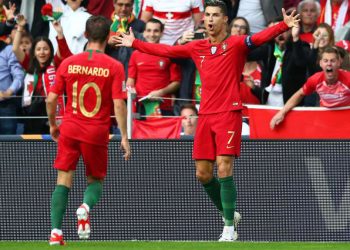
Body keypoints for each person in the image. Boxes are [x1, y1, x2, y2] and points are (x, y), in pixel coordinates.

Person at [116, 0, 299, 241]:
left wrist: (282, 26)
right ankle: (229, 213)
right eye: (207, 15)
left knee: (224, 166)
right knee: (203, 174)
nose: (210, 19)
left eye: (215, 15)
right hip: (205, 116)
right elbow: (168, 51)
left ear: (225, 20)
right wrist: (135, 43)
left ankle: (229, 229)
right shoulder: (197, 47)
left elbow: (258, 39)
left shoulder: (236, 43)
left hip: (229, 113)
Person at [46, 15, 131, 245]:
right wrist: (124, 136)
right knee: (95, 180)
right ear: (108, 37)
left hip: (70, 128)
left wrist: (54, 124)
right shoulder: (114, 66)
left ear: (85, 35)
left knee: (63, 179)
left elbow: (51, 99)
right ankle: (84, 207)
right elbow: (119, 104)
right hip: (96, 131)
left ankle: (56, 232)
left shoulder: (68, 62)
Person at [270, 46, 350, 129]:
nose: (329, 64)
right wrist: (282, 112)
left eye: (332, 61)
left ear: (339, 63)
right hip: (324, 120)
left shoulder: (348, 79)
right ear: (321, 64)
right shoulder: (315, 80)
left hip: (346, 119)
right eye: (326, 61)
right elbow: (300, 94)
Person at [127, 18, 181, 117]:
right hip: (141, 105)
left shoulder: (169, 52)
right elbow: (130, 80)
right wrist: (132, 91)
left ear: (161, 33)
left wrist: (161, 92)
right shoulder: (135, 54)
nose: (152, 34)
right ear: (143, 33)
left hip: (163, 106)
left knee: (163, 133)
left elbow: (176, 83)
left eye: (156, 31)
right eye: (149, 30)